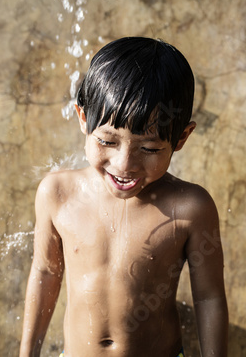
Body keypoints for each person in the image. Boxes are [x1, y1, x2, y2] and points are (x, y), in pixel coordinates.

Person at [19, 37, 228, 357]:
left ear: (181, 137)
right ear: (83, 118)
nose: (124, 165)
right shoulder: (58, 194)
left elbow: (209, 297)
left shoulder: (189, 209)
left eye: (149, 149)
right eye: (107, 141)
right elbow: (46, 274)